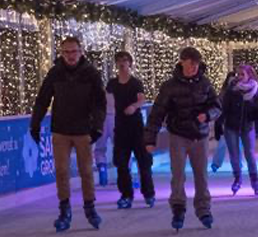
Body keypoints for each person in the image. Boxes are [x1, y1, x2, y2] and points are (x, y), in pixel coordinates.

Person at [30, 36, 106, 232]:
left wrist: (97, 127)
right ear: (61, 53)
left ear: (81, 52)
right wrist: (35, 124)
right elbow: (42, 99)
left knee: (86, 171)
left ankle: (90, 208)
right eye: (66, 52)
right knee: (62, 171)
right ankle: (64, 210)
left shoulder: (91, 74)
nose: (71, 56)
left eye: (74, 51)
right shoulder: (55, 73)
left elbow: (100, 103)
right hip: (61, 130)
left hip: (83, 130)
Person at [144, 47, 221, 231]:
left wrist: (207, 115)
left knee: (201, 174)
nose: (194, 68)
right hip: (178, 134)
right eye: (190, 64)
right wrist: (150, 138)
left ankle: (203, 209)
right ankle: (178, 207)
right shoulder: (169, 86)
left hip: (199, 136)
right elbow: (157, 112)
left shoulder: (205, 83)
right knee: (178, 174)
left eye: (196, 65)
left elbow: (217, 106)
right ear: (182, 62)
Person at [106, 51, 156, 209]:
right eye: (119, 61)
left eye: (125, 60)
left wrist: (134, 106)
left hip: (136, 128)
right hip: (120, 128)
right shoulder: (112, 84)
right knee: (121, 163)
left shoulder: (135, 83)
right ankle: (126, 195)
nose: (122, 63)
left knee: (144, 162)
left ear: (130, 63)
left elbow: (142, 99)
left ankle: (149, 193)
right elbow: (105, 99)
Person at [220, 64, 258, 195]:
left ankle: (255, 181)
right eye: (237, 74)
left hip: (247, 126)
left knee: (250, 154)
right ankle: (237, 179)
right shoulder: (231, 89)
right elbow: (224, 106)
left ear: (249, 75)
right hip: (231, 126)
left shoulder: (255, 89)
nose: (239, 77)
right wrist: (220, 122)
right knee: (234, 155)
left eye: (242, 74)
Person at [210, 72, 242, 173]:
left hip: (237, 121)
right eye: (230, 79)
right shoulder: (224, 93)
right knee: (223, 142)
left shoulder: (240, 91)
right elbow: (219, 107)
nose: (232, 81)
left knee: (238, 143)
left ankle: (238, 163)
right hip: (226, 121)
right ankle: (216, 163)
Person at [94, 92, 114, 187]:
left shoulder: (96, 86)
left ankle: (102, 172)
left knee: (99, 148)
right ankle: (126, 173)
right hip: (115, 116)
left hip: (100, 118)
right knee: (122, 147)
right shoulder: (117, 85)